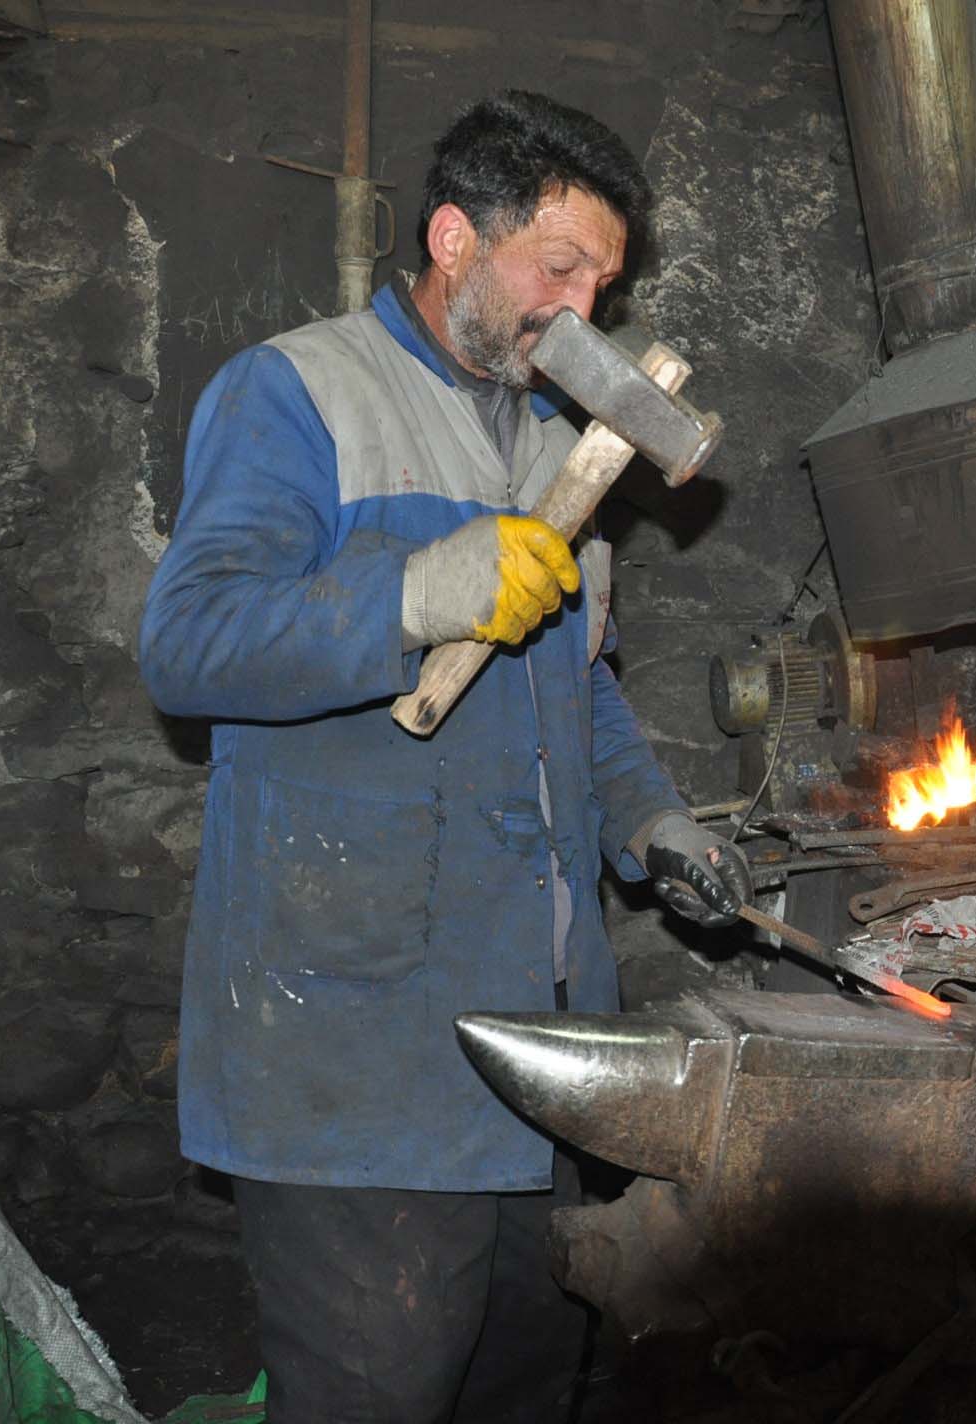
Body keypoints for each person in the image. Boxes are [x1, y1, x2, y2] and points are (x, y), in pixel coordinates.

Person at [139, 90, 752, 1423]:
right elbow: (186, 646)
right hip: (363, 1052)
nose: (589, 309)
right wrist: (415, 595)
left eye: (607, 282)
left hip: (547, 1050)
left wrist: (654, 829)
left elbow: (578, 703)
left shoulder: (560, 449)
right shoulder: (298, 391)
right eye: (563, 268)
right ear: (456, 237)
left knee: (525, 1390)